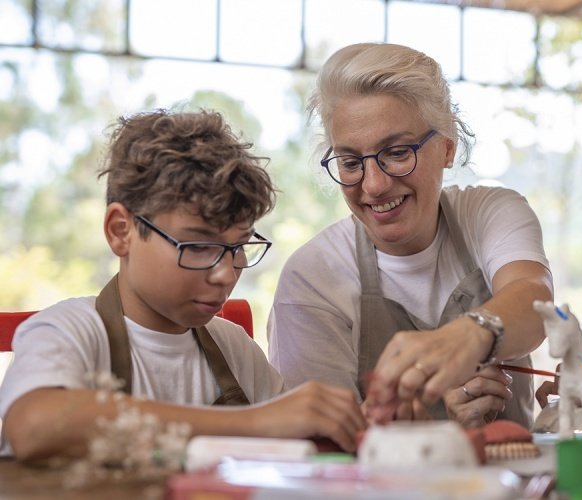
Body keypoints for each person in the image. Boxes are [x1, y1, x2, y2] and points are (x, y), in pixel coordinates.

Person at [0, 109, 366, 461]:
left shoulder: (234, 348)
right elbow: (33, 425)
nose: (226, 274)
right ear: (121, 231)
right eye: (198, 246)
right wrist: (253, 422)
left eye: (238, 247)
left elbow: (302, 446)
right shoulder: (69, 332)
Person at [267, 43, 554, 429]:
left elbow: (535, 300)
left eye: (398, 153)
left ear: (447, 148)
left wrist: (473, 334)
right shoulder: (312, 277)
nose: (374, 185)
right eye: (350, 162)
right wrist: (440, 430)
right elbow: (321, 445)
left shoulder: (489, 213)